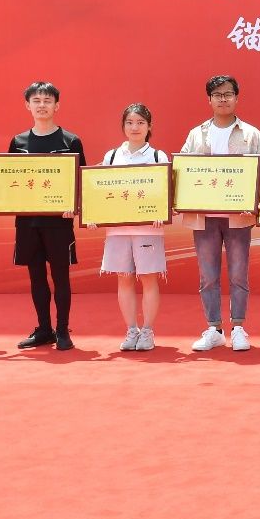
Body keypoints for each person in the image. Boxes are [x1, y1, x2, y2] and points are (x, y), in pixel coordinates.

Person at [180, 75, 260, 351]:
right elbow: (181, 170)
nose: (223, 99)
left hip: (238, 216)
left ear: (236, 98)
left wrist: (257, 201)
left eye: (228, 94)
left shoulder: (251, 134)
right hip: (204, 216)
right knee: (208, 275)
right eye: (217, 95)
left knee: (239, 274)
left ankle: (239, 327)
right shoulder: (196, 134)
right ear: (209, 99)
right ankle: (214, 329)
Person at [10, 82, 85, 351]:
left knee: (61, 277)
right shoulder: (18, 142)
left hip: (58, 223)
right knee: (36, 278)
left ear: (57, 105)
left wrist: (74, 205)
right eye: (36, 100)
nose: (42, 105)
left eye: (47, 101)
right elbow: (8, 181)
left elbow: (80, 181)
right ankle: (44, 329)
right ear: (27, 105)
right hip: (28, 223)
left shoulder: (70, 141)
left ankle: (62, 330)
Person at [89, 104, 170, 352]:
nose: (135, 128)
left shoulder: (158, 157)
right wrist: (94, 214)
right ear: (123, 126)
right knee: (124, 279)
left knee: (148, 279)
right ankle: (131, 329)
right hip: (118, 229)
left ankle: (147, 331)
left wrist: (162, 211)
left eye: (140, 123)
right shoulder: (112, 156)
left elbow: (165, 192)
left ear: (149, 126)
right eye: (130, 122)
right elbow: (100, 191)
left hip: (148, 229)